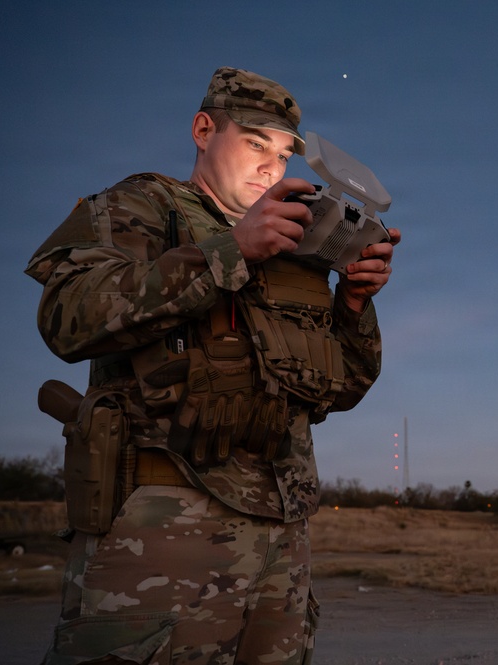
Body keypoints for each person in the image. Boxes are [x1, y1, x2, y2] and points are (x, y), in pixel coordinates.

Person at [25, 66, 400, 664]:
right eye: (254, 143)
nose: (271, 167)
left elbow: (341, 389)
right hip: (166, 522)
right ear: (204, 131)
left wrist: (352, 304)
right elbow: (68, 316)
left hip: (282, 531)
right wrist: (232, 251)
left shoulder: (294, 250)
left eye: (282, 155)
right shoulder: (145, 206)